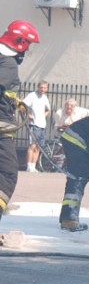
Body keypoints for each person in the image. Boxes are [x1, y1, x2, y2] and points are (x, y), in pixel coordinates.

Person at [0, 20, 39, 222]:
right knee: (7, 175)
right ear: (20, 42)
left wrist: (13, 99)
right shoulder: (8, 63)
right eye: (28, 46)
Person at [23, 80, 51, 172]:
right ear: (38, 87)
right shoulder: (32, 95)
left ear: (46, 89)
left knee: (39, 147)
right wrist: (28, 115)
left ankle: (33, 166)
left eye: (44, 88)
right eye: (41, 87)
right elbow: (22, 106)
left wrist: (43, 116)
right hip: (33, 124)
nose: (43, 89)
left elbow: (48, 109)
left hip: (42, 125)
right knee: (32, 145)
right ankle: (28, 166)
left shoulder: (45, 98)